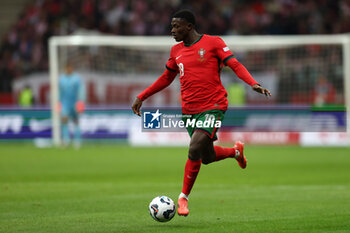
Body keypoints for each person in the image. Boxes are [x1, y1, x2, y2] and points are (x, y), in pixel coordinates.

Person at [132, 9, 271, 217]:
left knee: (194, 148)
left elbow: (234, 64)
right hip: (189, 110)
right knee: (206, 157)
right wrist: (142, 96)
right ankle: (235, 152)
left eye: (176, 26)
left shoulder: (213, 43)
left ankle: (183, 198)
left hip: (213, 105)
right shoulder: (175, 51)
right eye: (172, 26)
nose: (172, 30)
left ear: (189, 26)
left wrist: (253, 83)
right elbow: (166, 78)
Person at [59, 63, 85, 148]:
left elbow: (81, 90)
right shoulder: (62, 79)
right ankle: (66, 140)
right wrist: (58, 102)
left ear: (72, 68)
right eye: (67, 68)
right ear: (65, 68)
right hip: (65, 103)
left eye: (70, 68)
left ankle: (77, 141)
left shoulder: (76, 79)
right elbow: (59, 92)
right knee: (64, 119)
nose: (69, 69)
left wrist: (81, 102)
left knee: (76, 120)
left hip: (75, 102)